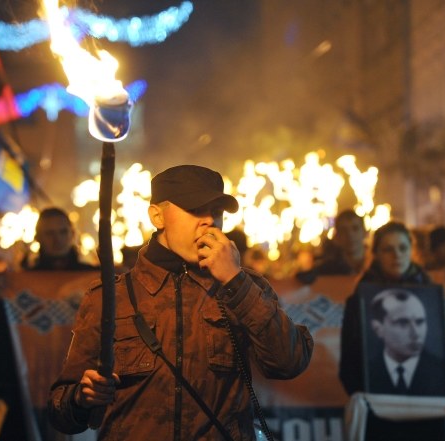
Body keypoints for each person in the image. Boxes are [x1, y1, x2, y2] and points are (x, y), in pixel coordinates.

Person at [48, 164, 314, 440]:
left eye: (217, 212)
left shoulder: (243, 286)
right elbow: (60, 413)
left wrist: (235, 280)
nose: (209, 220)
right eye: (195, 209)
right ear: (157, 216)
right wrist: (82, 398)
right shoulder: (112, 296)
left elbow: (288, 363)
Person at [339, 221, 445, 441]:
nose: (396, 255)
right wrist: (369, 396)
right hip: (380, 418)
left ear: (411, 250)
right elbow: (349, 360)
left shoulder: (430, 296)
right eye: (388, 249)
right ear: (377, 254)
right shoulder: (359, 300)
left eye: (402, 248)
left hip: (428, 417)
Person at [367, 288, 445, 396]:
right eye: (403, 322)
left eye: (420, 322)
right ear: (378, 329)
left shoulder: (443, 371)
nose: (415, 333)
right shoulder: (366, 372)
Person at [296, 209, 367, 284]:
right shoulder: (328, 270)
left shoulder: (376, 265)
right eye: (343, 230)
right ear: (337, 237)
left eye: (355, 228)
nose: (350, 235)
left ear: (365, 232)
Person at [25, 207, 98, 271]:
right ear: (38, 237)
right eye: (49, 233)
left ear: (73, 234)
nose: (57, 239)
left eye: (63, 232)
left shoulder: (91, 277)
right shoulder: (25, 280)